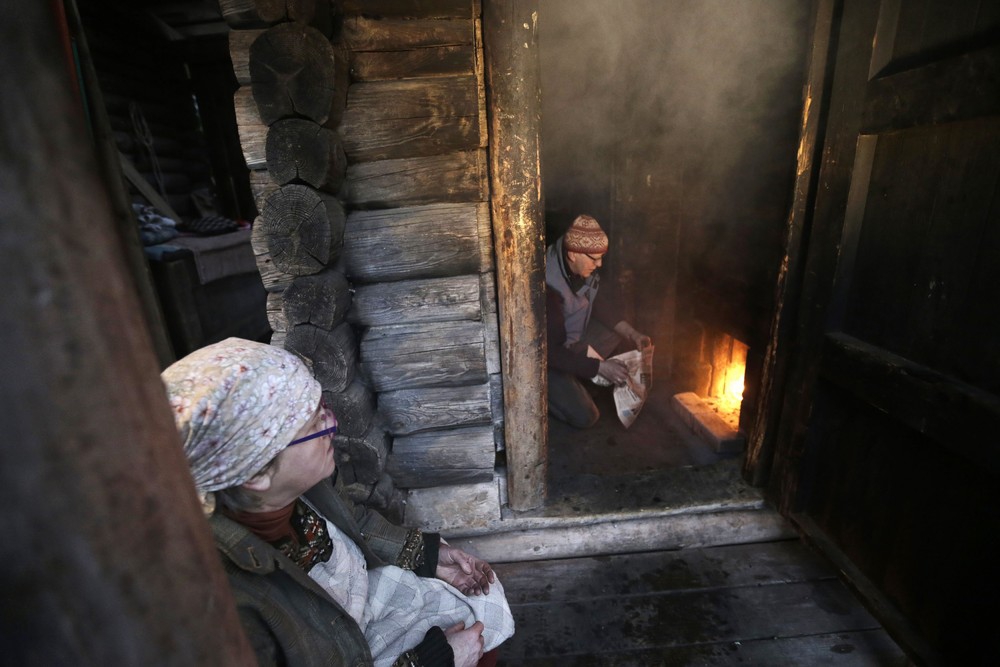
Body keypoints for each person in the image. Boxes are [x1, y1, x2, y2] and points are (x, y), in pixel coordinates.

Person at [162, 338, 514, 667]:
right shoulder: (228, 606)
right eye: (314, 425)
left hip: (358, 605)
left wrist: (430, 556)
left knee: (481, 600)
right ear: (257, 473)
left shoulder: (304, 487)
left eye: (323, 409)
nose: (332, 426)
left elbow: (352, 519)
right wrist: (433, 660)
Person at [546, 214, 652, 428]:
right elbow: (551, 352)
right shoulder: (547, 285)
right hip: (546, 358)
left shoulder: (577, 265)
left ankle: (579, 375)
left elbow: (599, 302)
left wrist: (632, 333)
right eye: (594, 259)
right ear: (574, 254)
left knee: (616, 332)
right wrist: (599, 368)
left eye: (601, 257)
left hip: (569, 339)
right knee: (586, 417)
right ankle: (549, 394)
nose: (600, 263)